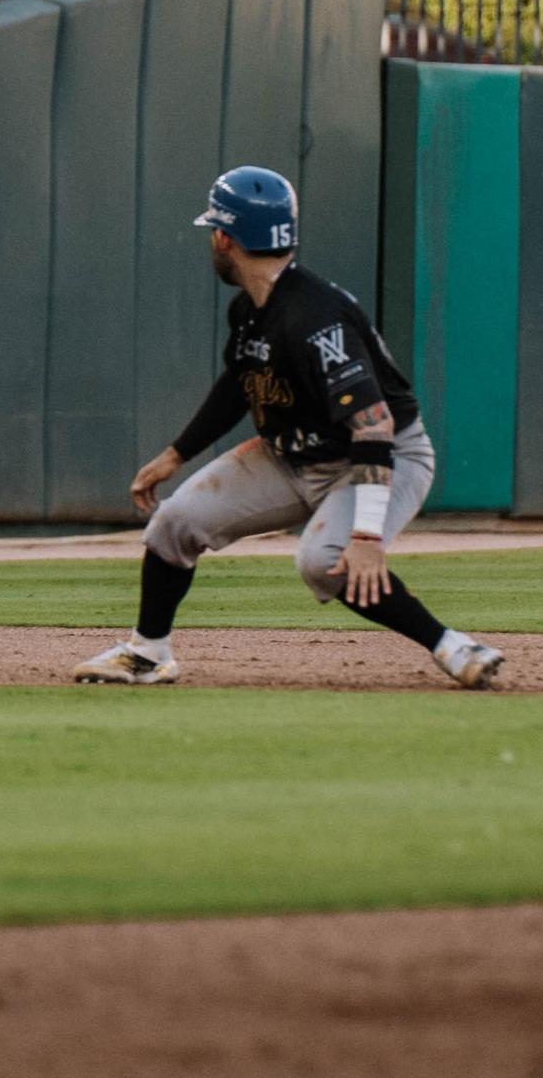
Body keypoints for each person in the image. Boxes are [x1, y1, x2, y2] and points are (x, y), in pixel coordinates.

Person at [74, 166, 506, 689]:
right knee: (176, 522)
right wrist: (176, 454)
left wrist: (367, 536)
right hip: (292, 456)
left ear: (224, 238)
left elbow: (374, 426)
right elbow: (241, 383)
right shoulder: (253, 310)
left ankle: (452, 647)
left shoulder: (312, 316)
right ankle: (148, 654)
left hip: (379, 459)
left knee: (326, 559)